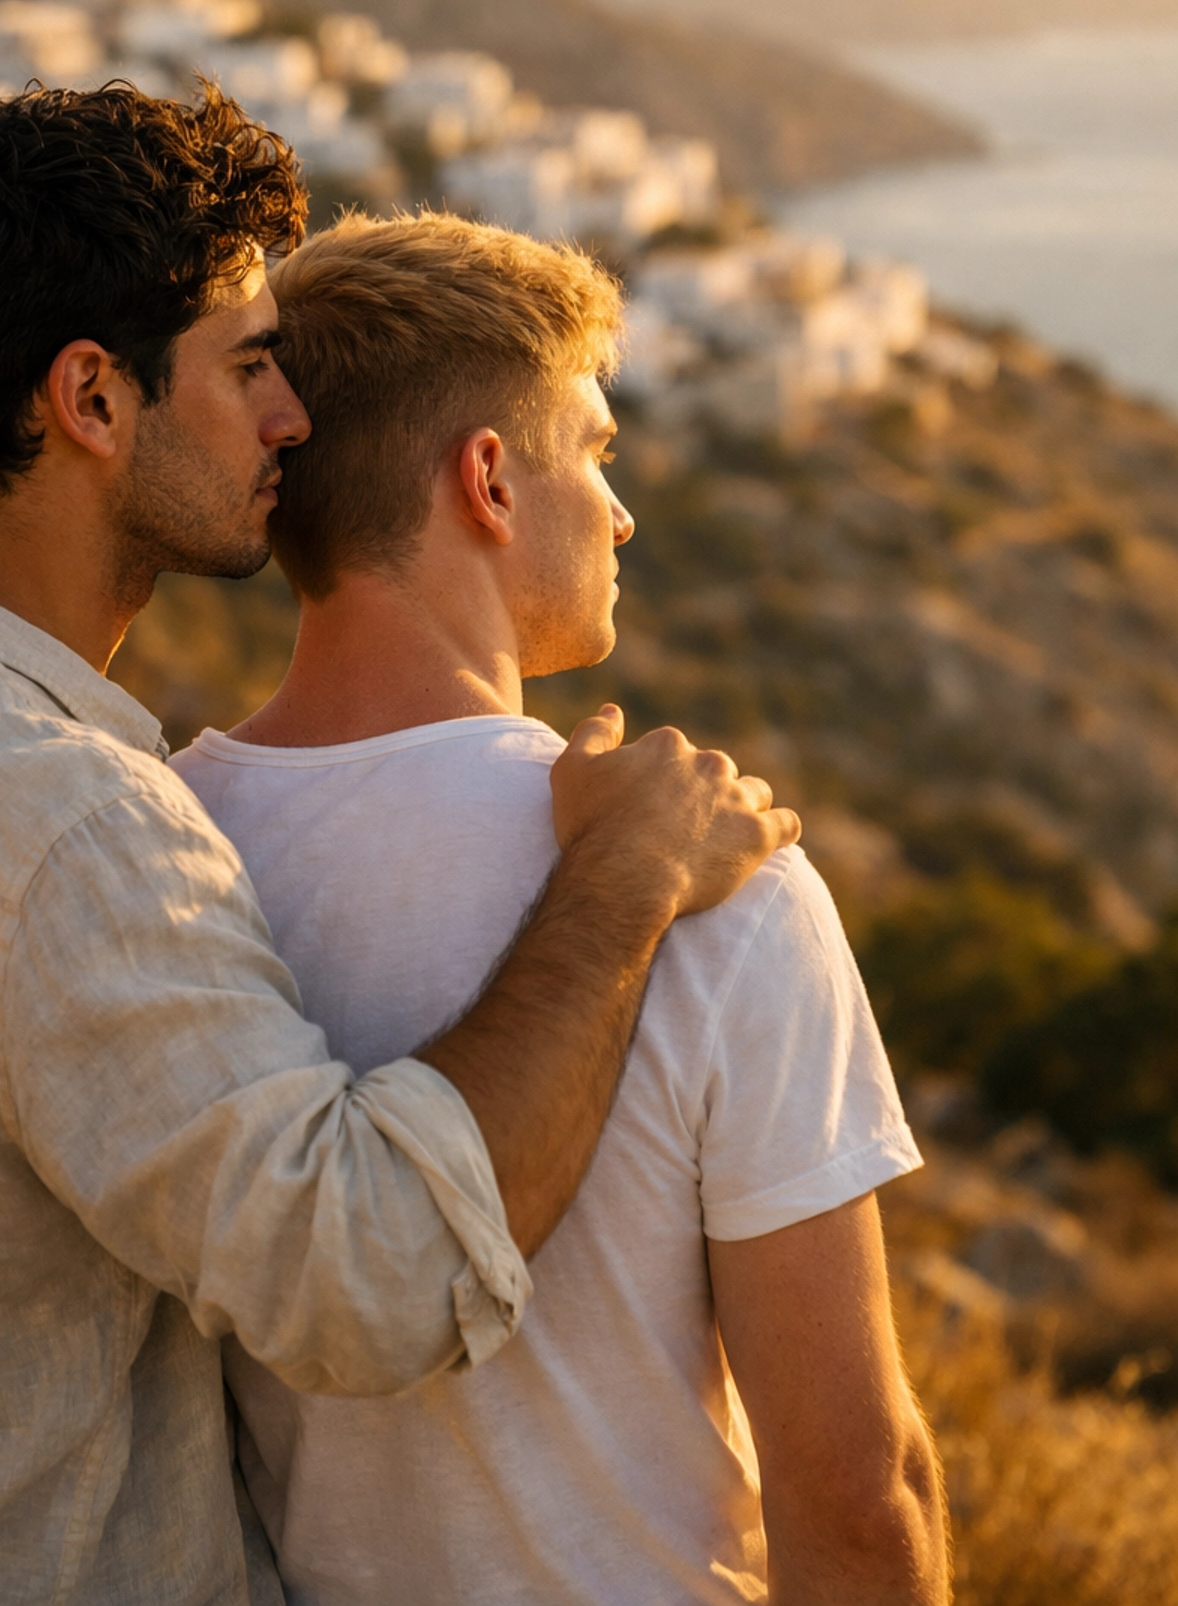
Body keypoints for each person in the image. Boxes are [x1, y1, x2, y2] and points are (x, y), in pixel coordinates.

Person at [0, 86, 796, 1606]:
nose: (292, 418)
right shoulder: (62, 825)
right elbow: (378, 1274)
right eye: (249, 367)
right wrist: (626, 876)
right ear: (93, 400)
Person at [167, 210, 945, 1605]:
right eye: (594, 451)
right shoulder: (709, 877)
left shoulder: (147, 848)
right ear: (489, 482)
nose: (623, 507)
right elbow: (858, 1493)